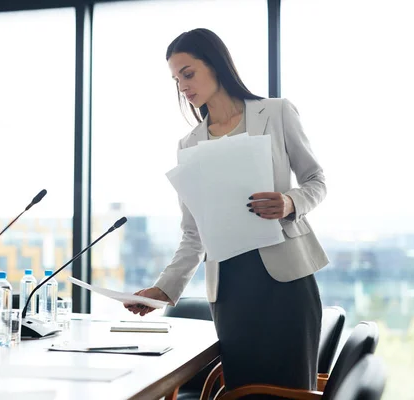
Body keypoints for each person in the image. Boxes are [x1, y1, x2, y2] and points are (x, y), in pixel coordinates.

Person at [125, 28, 329, 398]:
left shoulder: (277, 112)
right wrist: (164, 289)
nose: (183, 86)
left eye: (188, 73)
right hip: (231, 291)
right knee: (244, 391)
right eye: (176, 80)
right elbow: (193, 233)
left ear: (216, 65)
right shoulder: (189, 144)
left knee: (289, 389)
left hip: (286, 284)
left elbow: (316, 180)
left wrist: (290, 202)